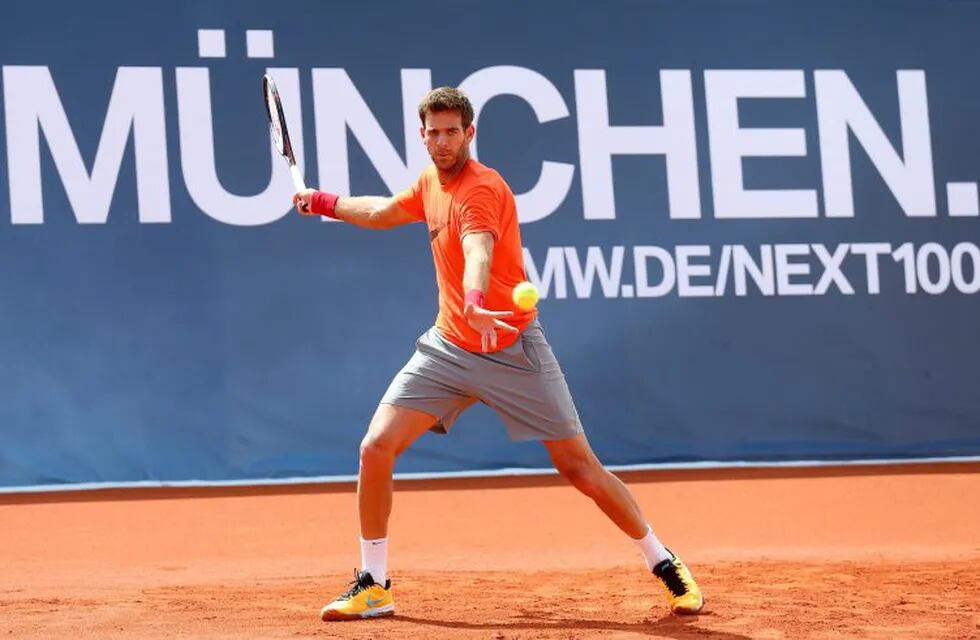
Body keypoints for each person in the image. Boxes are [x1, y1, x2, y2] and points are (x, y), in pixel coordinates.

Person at [292, 87, 703, 621]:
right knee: (375, 447)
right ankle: (374, 583)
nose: (442, 142)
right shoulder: (428, 182)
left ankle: (663, 561)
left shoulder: (481, 189)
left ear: (470, 133)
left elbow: (476, 249)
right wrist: (324, 203)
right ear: (422, 135)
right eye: (433, 132)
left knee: (579, 468)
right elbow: (384, 211)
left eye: (451, 132)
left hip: (510, 347)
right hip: (448, 347)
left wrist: (477, 301)